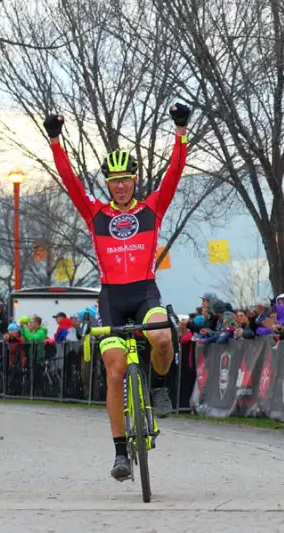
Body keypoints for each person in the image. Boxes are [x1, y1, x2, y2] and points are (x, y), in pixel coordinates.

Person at [45, 102, 190, 482]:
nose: (121, 185)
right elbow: (70, 181)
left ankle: (158, 387)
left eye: (126, 178)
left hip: (144, 292)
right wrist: (55, 140)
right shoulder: (96, 214)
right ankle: (120, 453)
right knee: (115, 369)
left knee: (162, 336)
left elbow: (174, 174)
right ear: (107, 184)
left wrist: (180, 131)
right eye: (114, 180)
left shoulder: (152, 208)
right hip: (112, 297)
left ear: (135, 180)